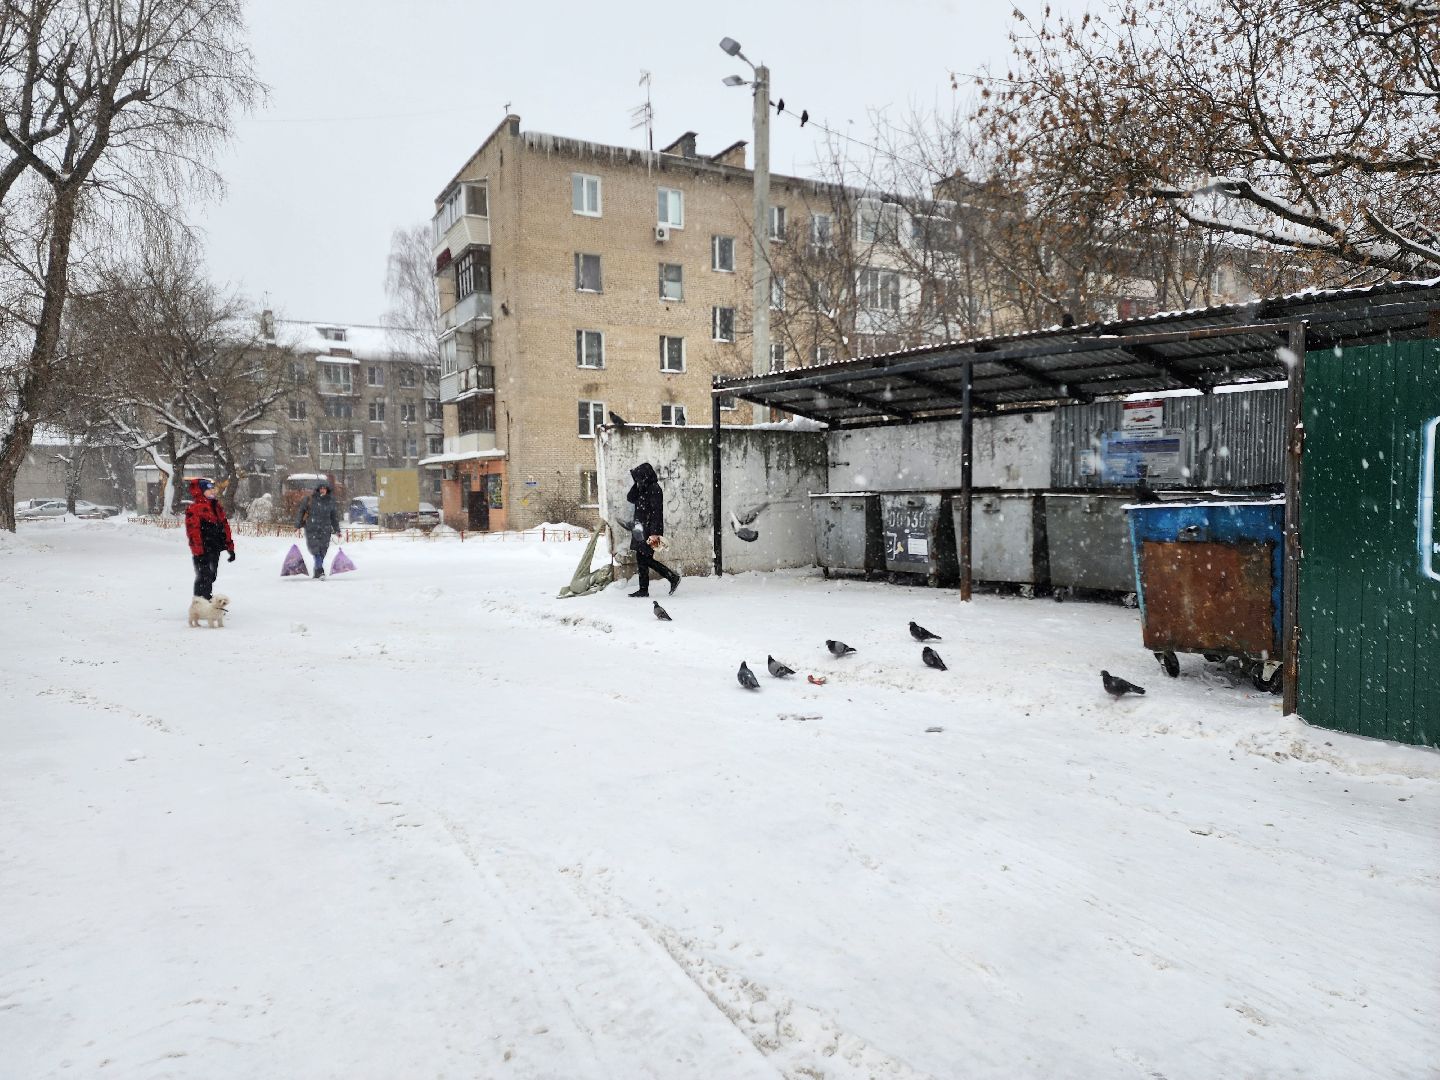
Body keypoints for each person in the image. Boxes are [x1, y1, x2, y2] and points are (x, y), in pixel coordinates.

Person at [625, 462, 679, 597]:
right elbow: (630, 498)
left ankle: (672, 577)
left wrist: (655, 533)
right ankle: (643, 589)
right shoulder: (642, 487)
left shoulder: (654, 489)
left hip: (649, 529)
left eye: (639, 477)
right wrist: (636, 484)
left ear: (645, 476)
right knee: (641, 557)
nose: (637, 480)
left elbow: (656, 512)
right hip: (640, 528)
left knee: (646, 559)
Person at [184, 477, 235, 600]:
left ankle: (203, 600)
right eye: (209, 489)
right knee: (204, 576)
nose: (212, 491)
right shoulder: (195, 508)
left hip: (214, 548)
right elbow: (193, 531)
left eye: (213, 489)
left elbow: (225, 526)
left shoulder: (216, 506)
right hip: (202, 549)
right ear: (201, 491)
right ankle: (202, 602)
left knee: (211, 576)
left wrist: (230, 547)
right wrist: (198, 552)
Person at [295, 481, 342, 579]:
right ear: (317, 489)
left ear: (327, 490)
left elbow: (334, 517)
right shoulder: (309, 499)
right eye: (321, 488)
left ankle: (317, 570)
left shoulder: (330, 501)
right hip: (312, 528)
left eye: (324, 488)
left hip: (326, 529)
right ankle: (320, 570)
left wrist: (337, 530)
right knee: (315, 549)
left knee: (323, 551)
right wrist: (297, 525)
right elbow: (301, 512)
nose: (322, 490)